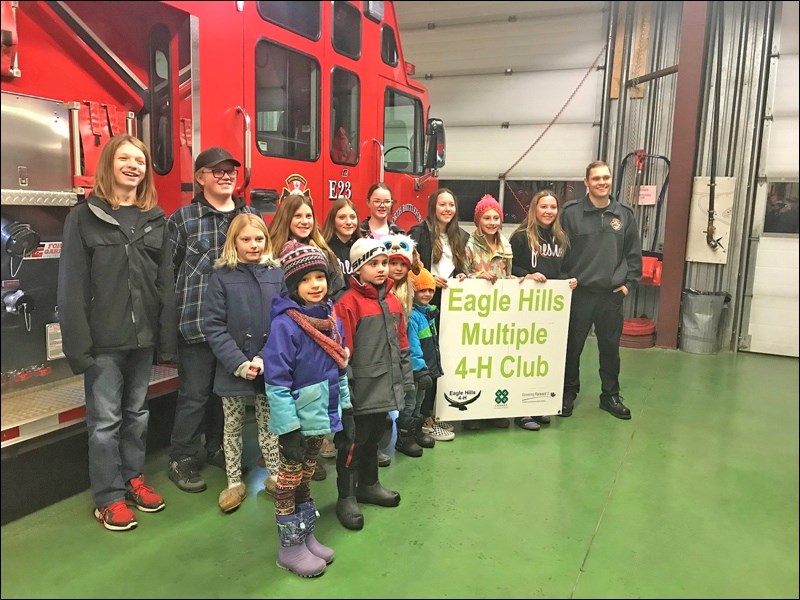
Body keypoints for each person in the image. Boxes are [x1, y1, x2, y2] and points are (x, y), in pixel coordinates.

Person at [58, 135, 176, 531]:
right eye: (124, 158)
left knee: (137, 415)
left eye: (140, 160)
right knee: (105, 421)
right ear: (109, 165)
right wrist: (79, 345)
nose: (133, 165)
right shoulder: (84, 216)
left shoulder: (155, 218)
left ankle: (133, 479)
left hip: (142, 340)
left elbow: (164, 283)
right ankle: (108, 497)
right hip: (102, 342)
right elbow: (71, 285)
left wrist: (164, 338)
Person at [167, 146, 259, 493]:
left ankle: (219, 448)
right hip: (195, 325)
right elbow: (168, 271)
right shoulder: (183, 219)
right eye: (216, 170)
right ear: (200, 177)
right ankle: (183, 459)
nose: (225, 176)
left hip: (237, 329)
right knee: (194, 395)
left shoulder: (249, 217)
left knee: (227, 395)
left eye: (230, 170)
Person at [264, 241, 353, 577]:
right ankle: (289, 548)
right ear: (293, 286)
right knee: (287, 482)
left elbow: (340, 366)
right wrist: (288, 430)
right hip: (298, 423)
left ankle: (305, 536)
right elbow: (276, 381)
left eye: (320, 276)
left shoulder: (331, 318)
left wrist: (345, 409)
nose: (316, 284)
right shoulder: (286, 325)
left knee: (304, 479)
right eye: (306, 280)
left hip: (320, 419)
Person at [202, 214, 283, 511]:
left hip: (268, 367)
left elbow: (283, 321)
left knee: (270, 423)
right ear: (233, 242)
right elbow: (213, 325)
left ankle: (275, 475)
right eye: (246, 239)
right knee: (232, 427)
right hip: (233, 369)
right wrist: (239, 362)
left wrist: (264, 357)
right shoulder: (222, 276)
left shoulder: (277, 274)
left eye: (259, 239)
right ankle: (234, 482)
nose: (253, 245)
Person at [333, 238, 415, 530]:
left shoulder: (392, 299)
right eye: (373, 264)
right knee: (353, 442)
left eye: (384, 263)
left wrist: (405, 380)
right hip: (360, 392)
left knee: (375, 436)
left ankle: (369, 484)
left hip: (384, 388)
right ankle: (346, 496)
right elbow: (342, 352)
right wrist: (348, 392)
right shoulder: (348, 303)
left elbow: (401, 342)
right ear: (357, 268)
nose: (382, 269)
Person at [559, 160, 643, 420]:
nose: (602, 182)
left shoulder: (624, 214)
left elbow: (633, 253)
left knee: (610, 348)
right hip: (579, 294)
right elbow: (559, 252)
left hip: (611, 295)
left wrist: (628, 285)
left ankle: (610, 395)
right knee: (572, 347)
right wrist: (563, 281)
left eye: (606, 178)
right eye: (596, 178)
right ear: (586, 183)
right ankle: (567, 394)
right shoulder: (570, 213)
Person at [510, 190, 578, 430]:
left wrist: (569, 280)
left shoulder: (561, 238)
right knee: (524, 358)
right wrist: (525, 275)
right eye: (544, 207)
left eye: (553, 207)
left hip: (551, 310)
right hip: (525, 307)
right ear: (534, 209)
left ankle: (537, 404)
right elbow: (511, 267)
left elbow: (564, 269)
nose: (548, 211)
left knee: (544, 358)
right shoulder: (520, 237)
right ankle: (520, 410)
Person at [408, 188, 467, 435]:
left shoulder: (461, 236)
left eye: (451, 204)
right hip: (423, 305)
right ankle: (421, 418)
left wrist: (463, 274)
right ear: (433, 206)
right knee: (425, 359)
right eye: (442, 204)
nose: (447, 209)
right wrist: (428, 278)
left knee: (442, 358)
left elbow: (463, 267)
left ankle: (433, 412)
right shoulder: (418, 232)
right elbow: (410, 266)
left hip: (450, 306)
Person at [462, 194, 515, 430]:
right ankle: (473, 412)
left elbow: (509, 276)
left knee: (496, 362)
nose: (492, 222)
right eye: (487, 217)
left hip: (500, 313)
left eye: (496, 217)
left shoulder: (506, 245)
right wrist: (477, 276)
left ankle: (494, 410)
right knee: (476, 363)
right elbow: (461, 277)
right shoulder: (469, 245)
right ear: (478, 220)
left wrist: (527, 281)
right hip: (476, 313)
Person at [383, 234, 434, 456]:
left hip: (409, 357)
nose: (396, 268)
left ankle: (412, 432)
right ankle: (402, 436)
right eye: (391, 263)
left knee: (416, 397)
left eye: (400, 264)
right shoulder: (386, 293)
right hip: (394, 355)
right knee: (407, 398)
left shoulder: (411, 298)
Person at [268, 191, 346, 303]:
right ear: (285, 218)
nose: (305, 221)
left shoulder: (325, 253)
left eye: (309, 216)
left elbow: (338, 292)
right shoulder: (271, 255)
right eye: (298, 216)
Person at [407, 267, 453, 443]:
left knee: (419, 403)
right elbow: (413, 346)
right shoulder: (413, 317)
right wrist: (420, 369)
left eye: (430, 290)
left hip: (426, 368)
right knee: (411, 403)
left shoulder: (429, 313)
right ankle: (407, 435)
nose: (427, 294)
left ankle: (418, 430)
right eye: (422, 290)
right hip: (418, 371)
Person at [321, 196, 362, 297]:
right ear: (333, 220)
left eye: (352, 217)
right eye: (342, 217)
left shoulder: (363, 247)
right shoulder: (324, 249)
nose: (348, 222)